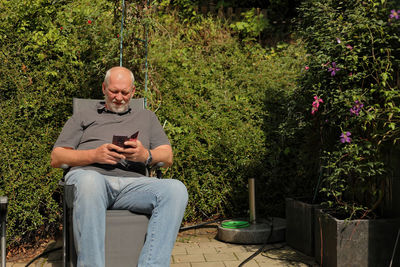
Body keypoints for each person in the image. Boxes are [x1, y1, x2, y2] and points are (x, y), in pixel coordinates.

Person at [51, 66, 188, 267]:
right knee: (90, 181)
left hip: (134, 187)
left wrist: (145, 155)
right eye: (114, 91)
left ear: (133, 92)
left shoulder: (147, 117)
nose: (119, 97)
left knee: (176, 189)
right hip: (91, 180)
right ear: (104, 88)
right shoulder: (83, 116)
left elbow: (167, 156)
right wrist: (93, 155)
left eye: (125, 92)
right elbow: (57, 157)